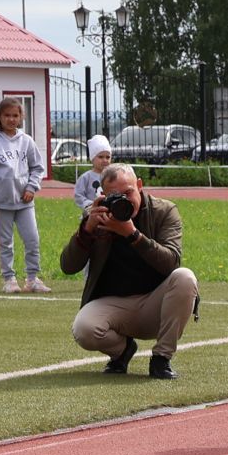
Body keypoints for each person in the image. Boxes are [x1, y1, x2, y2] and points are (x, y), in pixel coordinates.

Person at [60, 162, 197, 379]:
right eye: (116, 197)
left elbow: (171, 262)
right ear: (104, 196)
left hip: (157, 304)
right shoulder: (98, 218)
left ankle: (162, 359)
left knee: (185, 277)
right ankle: (122, 351)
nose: (124, 201)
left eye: (128, 192)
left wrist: (132, 235)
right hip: (115, 306)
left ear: (140, 185)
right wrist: (86, 230)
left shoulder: (164, 211)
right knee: (84, 329)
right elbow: (68, 266)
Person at [0, 96, 50, 294]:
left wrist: (31, 188)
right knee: (5, 243)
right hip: (3, 203)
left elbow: (37, 168)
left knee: (32, 239)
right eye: (7, 115)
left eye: (15, 115)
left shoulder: (26, 141)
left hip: (25, 202)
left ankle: (32, 278)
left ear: (21, 117)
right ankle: (9, 279)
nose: (11, 119)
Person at [72, 135, 112, 212]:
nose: (105, 160)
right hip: (91, 213)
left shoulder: (113, 176)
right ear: (92, 159)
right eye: (100, 157)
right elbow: (78, 195)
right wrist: (88, 204)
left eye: (108, 157)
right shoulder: (86, 177)